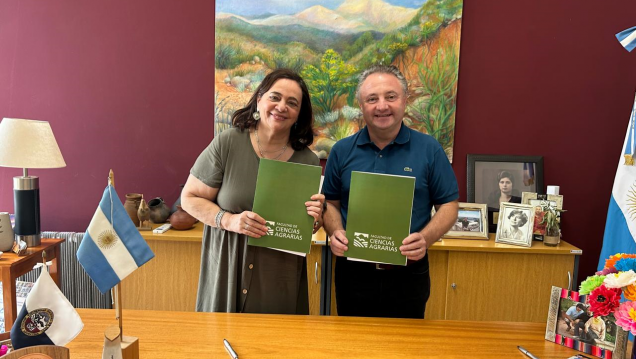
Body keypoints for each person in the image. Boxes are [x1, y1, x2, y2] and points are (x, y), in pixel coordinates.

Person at [181, 68, 325, 315]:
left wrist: (314, 219)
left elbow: (305, 226)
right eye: (275, 97)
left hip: (279, 276)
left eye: (292, 103)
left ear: (299, 114)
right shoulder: (228, 143)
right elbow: (189, 198)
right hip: (228, 269)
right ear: (259, 99)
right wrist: (228, 220)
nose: (281, 106)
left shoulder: (308, 161)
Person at [322, 65, 459, 319]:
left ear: (405, 101)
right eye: (372, 99)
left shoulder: (429, 149)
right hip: (353, 272)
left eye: (391, 97)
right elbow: (330, 202)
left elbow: (449, 205)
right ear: (361, 106)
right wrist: (335, 231)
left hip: (409, 273)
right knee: (354, 347)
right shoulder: (341, 150)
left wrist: (425, 238)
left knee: (406, 350)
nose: (381, 106)